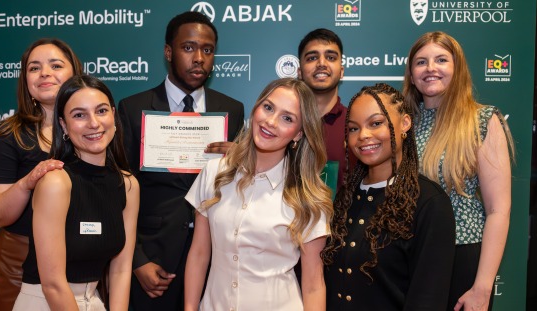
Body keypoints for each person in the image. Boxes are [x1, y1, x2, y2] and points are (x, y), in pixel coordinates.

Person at [117, 11, 244, 310]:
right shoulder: (133, 109)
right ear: (168, 52)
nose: (199, 57)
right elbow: (117, 192)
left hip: (216, 262)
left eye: (207, 49)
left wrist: (241, 162)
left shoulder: (232, 110)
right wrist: (137, 261)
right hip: (153, 262)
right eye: (188, 48)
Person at [184, 78, 333, 311]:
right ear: (256, 107)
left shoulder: (307, 195)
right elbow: (199, 253)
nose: (270, 122)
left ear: (298, 134)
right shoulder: (214, 172)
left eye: (287, 118)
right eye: (268, 107)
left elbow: (314, 283)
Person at [403, 31, 515, 311]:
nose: (430, 68)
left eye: (441, 60)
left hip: (461, 256)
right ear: (411, 73)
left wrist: (482, 287)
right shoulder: (403, 124)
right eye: (421, 62)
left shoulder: (482, 119)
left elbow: (498, 210)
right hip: (408, 256)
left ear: (458, 68)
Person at [322, 83, 456, 310]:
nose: (363, 135)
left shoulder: (429, 203)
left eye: (376, 123)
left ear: (405, 123)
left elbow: (428, 299)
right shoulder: (345, 197)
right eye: (353, 128)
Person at [12, 75, 139, 310]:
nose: (94, 123)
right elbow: (52, 283)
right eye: (79, 115)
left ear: (113, 115)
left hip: (94, 300)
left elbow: (121, 270)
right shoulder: (56, 182)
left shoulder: (128, 184)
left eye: (101, 111)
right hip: (45, 302)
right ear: (63, 125)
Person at [0, 38, 82, 310]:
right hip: (22, 262)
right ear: (25, 80)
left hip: (87, 260)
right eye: (34, 68)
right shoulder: (8, 136)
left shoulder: (96, 130)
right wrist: (27, 184)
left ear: (75, 73)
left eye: (56, 65)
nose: (45, 73)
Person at [297, 28, 350, 190]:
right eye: (312, 58)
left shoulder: (355, 124)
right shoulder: (283, 122)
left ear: (341, 71)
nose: (321, 63)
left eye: (330, 57)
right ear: (299, 72)